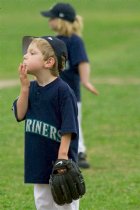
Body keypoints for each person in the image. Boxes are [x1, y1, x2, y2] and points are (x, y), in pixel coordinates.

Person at [12, 36, 79, 210]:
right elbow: (20, 114)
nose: (25, 56)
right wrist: (24, 88)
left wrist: (62, 157)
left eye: (32, 53)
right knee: (43, 204)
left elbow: (69, 127)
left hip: (60, 163)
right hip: (38, 161)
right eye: (26, 52)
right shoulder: (31, 88)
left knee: (64, 203)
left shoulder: (63, 91)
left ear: (49, 62)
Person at [41, 3, 99, 169]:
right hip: (53, 91)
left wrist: (85, 80)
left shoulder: (75, 41)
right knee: (53, 122)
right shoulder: (51, 41)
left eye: (51, 18)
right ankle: (54, 151)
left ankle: (79, 152)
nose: (49, 21)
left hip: (71, 93)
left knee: (73, 123)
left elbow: (82, 62)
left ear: (61, 20)